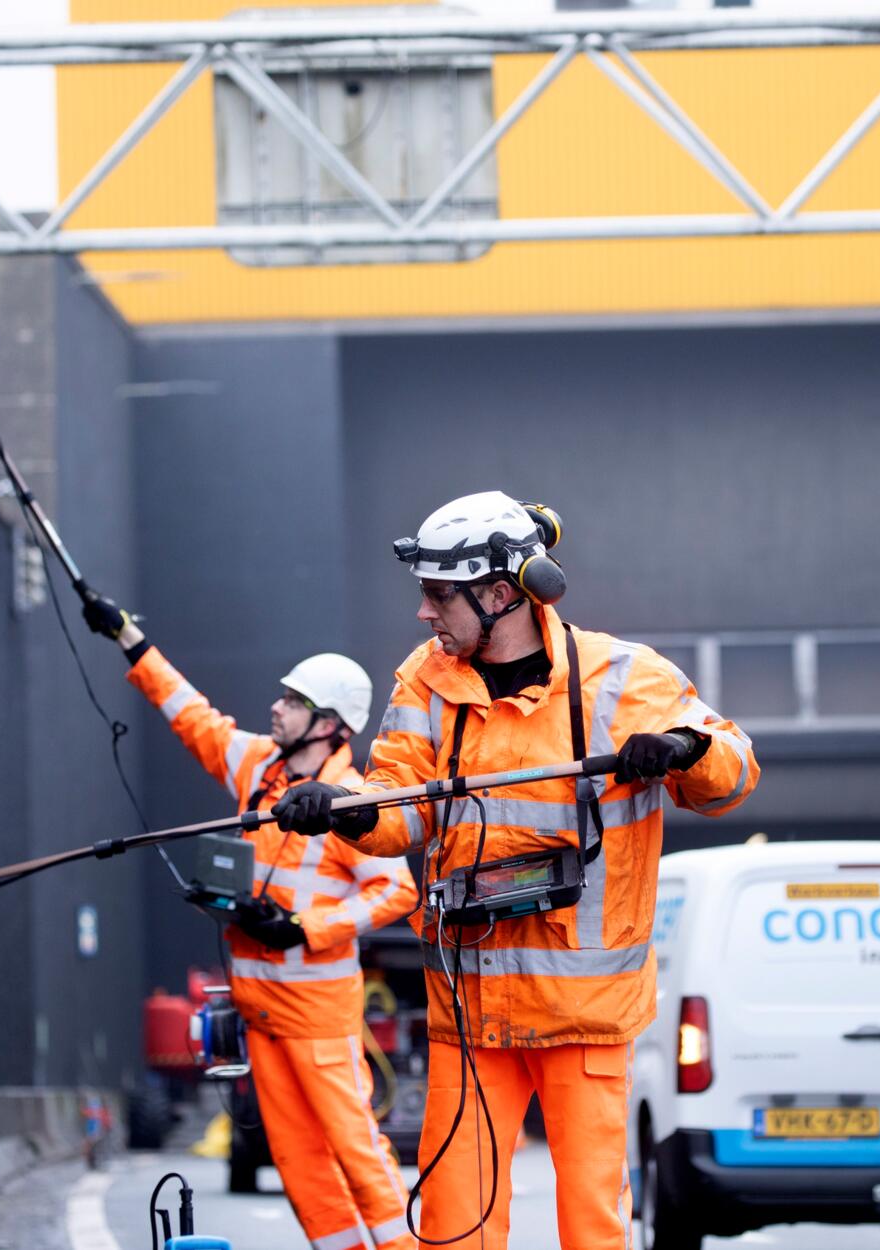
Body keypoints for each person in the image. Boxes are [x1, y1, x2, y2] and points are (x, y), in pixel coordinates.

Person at [272, 490, 759, 1250]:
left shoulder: (626, 678)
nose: (425, 614)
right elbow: (400, 802)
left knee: (593, 1230)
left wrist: (682, 751)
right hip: (471, 1013)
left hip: (585, 1019)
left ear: (500, 594)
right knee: (454, 1229)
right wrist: (342, 807)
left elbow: (732, 774)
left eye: (439, 596)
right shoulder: (427, 679)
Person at [82, 592, 418, 1250]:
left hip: (319, 1013)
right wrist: (128, 639)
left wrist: (303, 927)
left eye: (292, 702)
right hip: (261, 1011)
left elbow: (395, 889)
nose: (276, 707)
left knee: (358, 1154)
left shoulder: (350, 803)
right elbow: (190, 714)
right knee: (300, 1168)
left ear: (328, 726)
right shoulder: (256, 765)